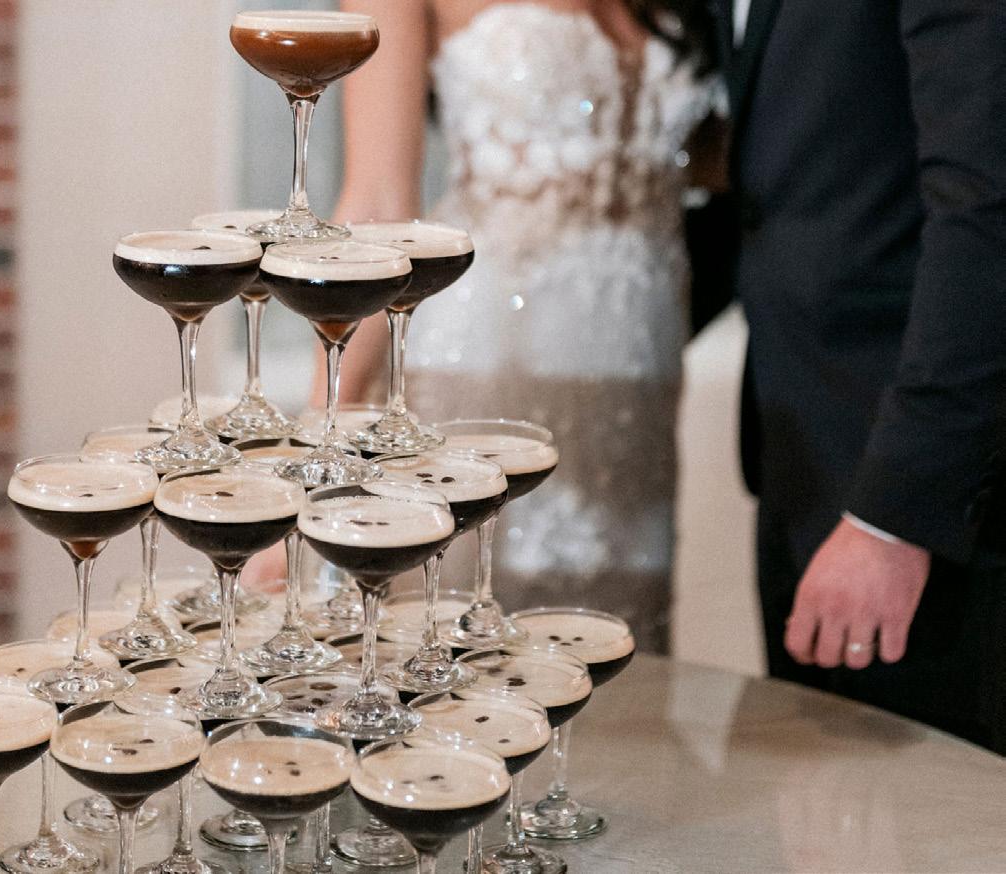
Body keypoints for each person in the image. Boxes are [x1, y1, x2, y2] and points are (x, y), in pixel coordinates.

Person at [288, 0, 722, 654]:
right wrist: (319, 443)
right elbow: (379, 202)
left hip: (636, 390)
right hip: (482, 368)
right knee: (461, 657)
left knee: (616, 660)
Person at [712, 1, 1006, 749]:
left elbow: (986, 208)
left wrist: (893, 519)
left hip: (929, 513)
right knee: (808, 801)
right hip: (800, 463)